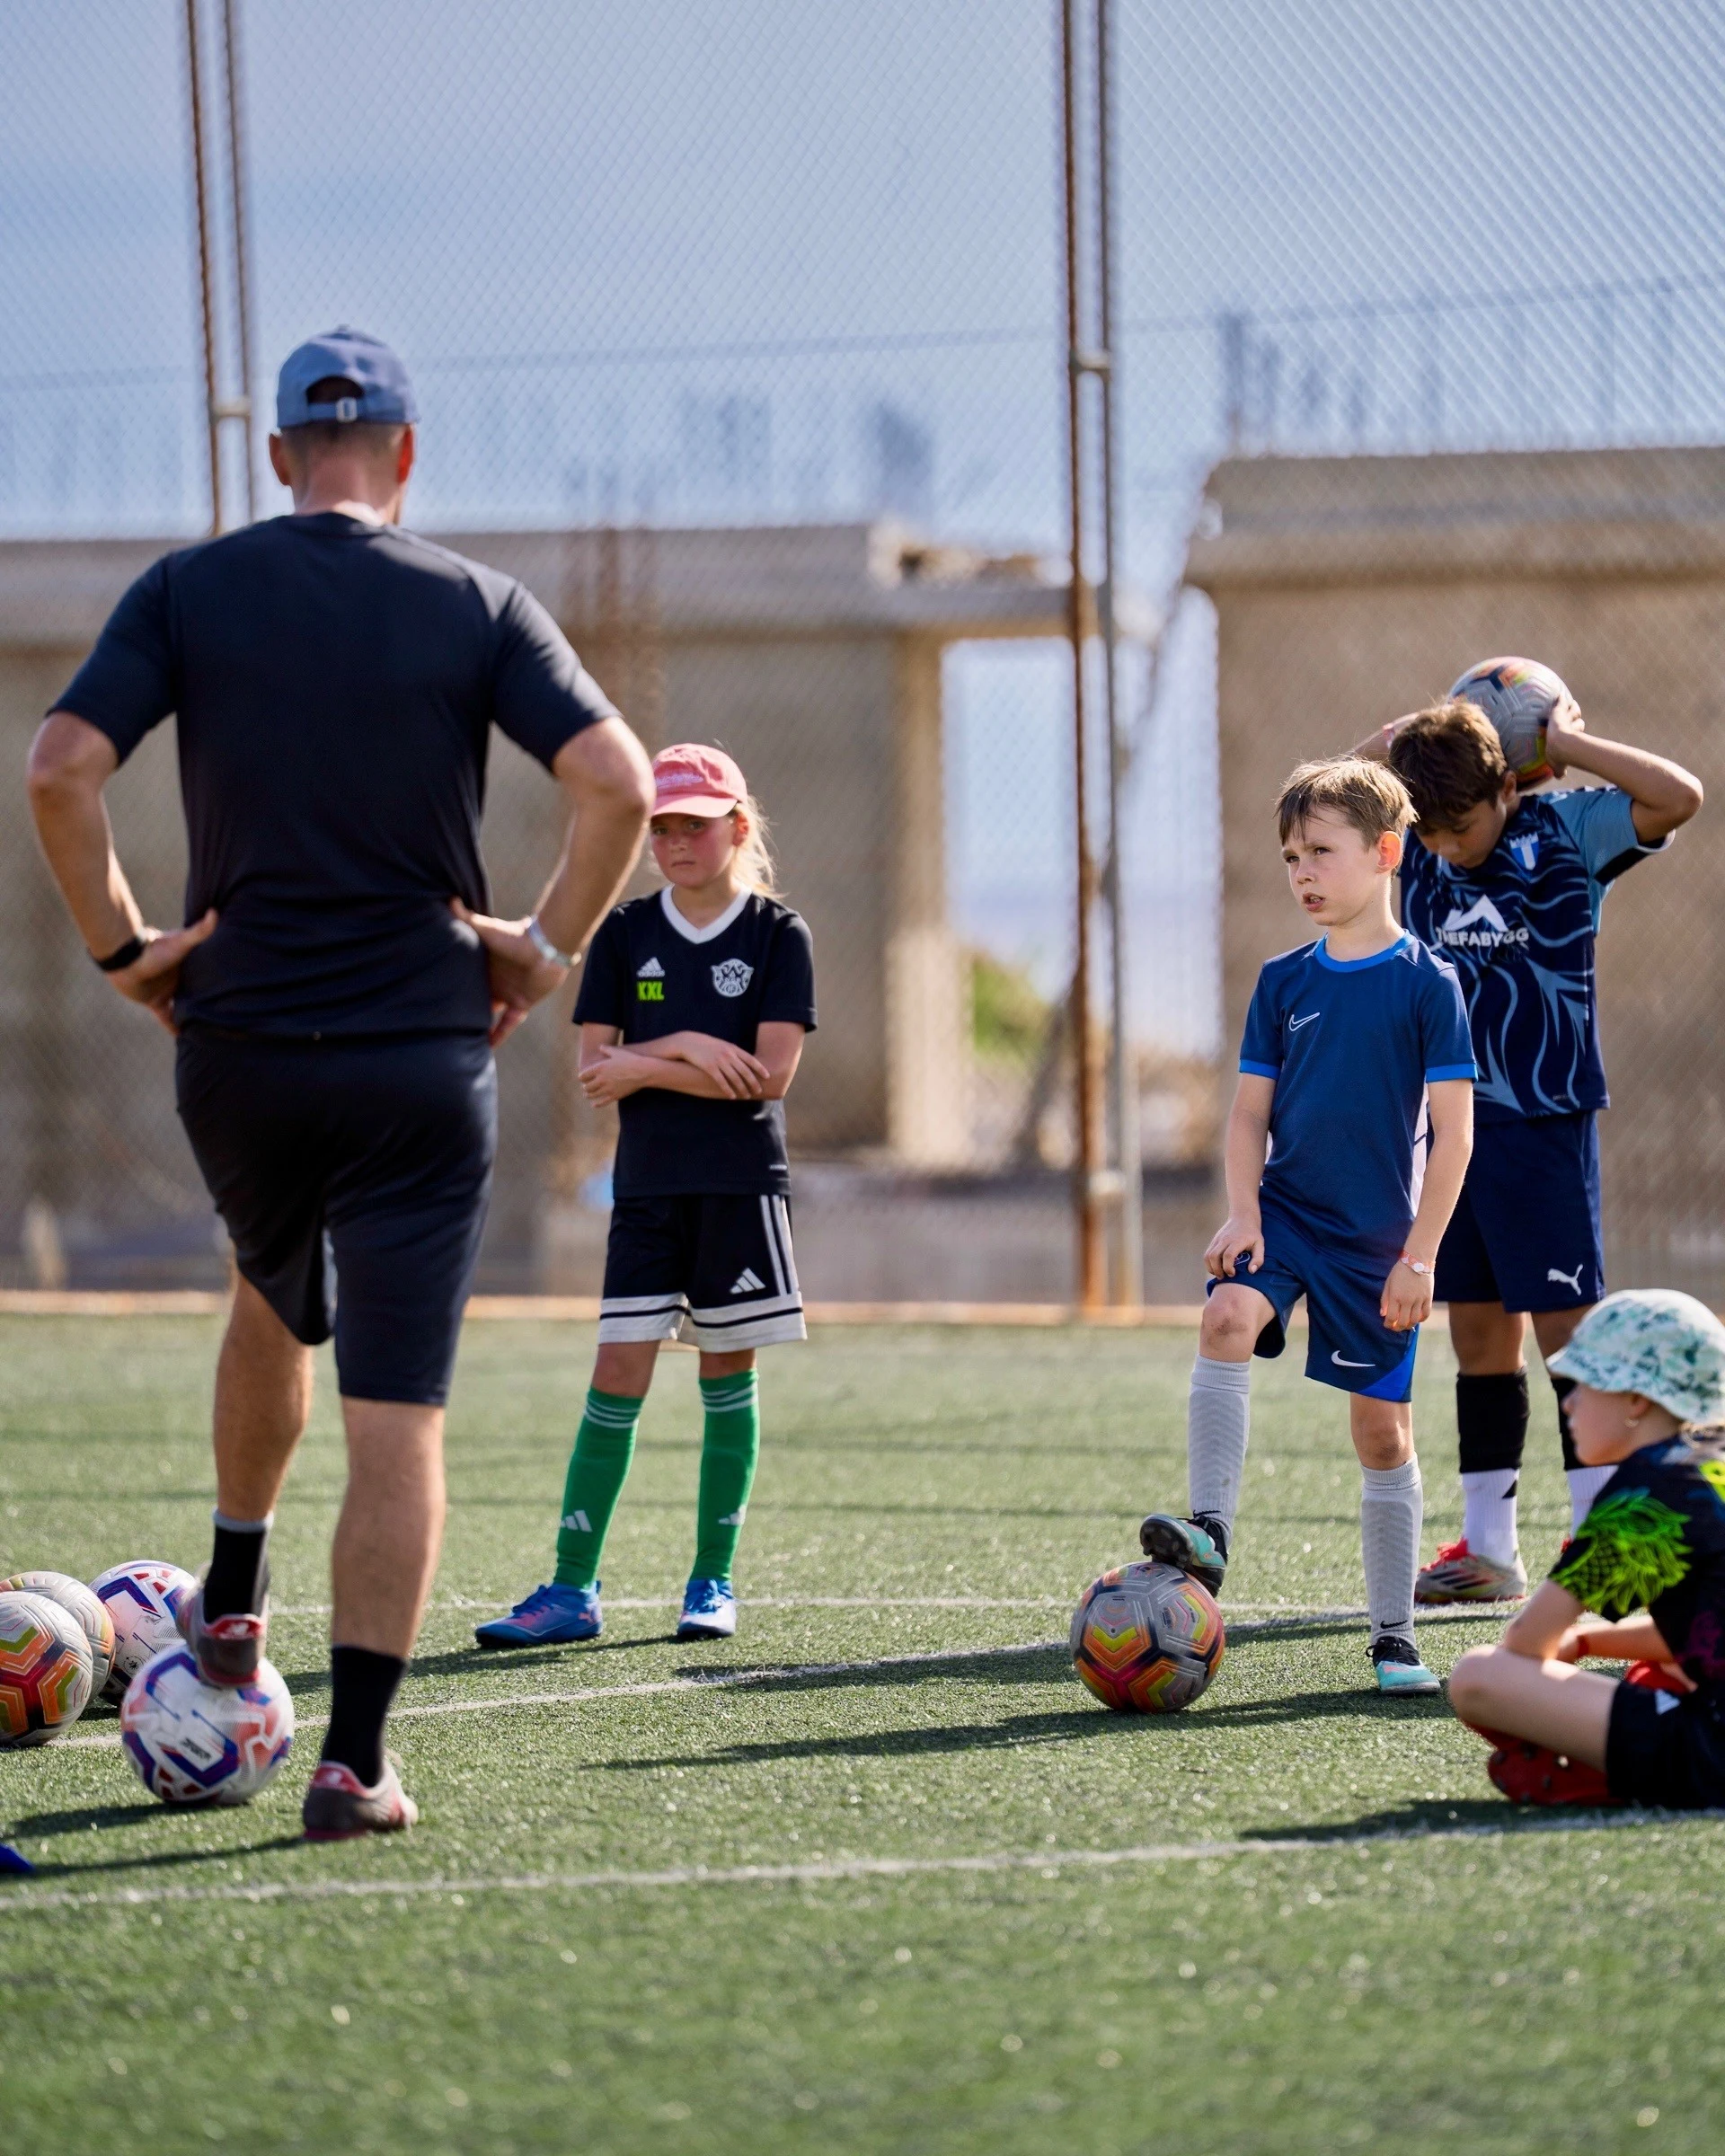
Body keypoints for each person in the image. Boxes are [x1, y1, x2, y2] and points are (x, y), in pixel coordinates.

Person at [25, 328, 653, 1840]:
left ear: (279, 459)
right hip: (418, 1057)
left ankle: (232, 1592)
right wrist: (542, 952)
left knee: (268, 1285)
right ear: (408, 456)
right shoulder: (474, 601)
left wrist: (126, 952)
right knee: (395, 1416)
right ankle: (354, 1767)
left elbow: (59, 769)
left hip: (236, 1052)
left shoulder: (189, 590)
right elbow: (618, 783)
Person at [1140, 756, 1475, 1694]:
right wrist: (1243, 1210)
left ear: (1386, 854)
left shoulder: (1429, 984)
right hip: (1286, 1213)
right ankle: (1211, 1530)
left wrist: (1419, 1259)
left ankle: (1394, 1637)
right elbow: (1249, 1115)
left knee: (1382, 1438)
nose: (1303, 874)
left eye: (1321, 852)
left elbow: (1455, 1138)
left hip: (1379, 1245)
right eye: (1291, 857)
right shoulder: (1283, 981)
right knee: (1225, 1317)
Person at [476, 742, 815, 1650]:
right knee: (616, 1373)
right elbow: (596, 1071)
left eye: (695, 825)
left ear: (737, 827)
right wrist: (693, 1048)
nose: (676, 842)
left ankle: (712, 1581)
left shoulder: (778, 935)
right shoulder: (626, 932)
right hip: (648, 1192)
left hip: (740, 1189)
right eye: (661, 828)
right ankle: (571, 1589)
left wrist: (651, 1059)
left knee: (725, 1376)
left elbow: (769, 1077)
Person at [1368, 694, 1702, 1604]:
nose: (1446, 848)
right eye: (1429, 832)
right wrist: (1405, 736)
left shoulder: (1568, 830)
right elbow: (1340, 792)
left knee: (1570, 1341)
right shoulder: (1415, 843)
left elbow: (1680, 796)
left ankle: (1600, 1541)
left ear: (1509, 789)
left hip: (1542, 1125)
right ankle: (1490, 1551)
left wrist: (1566, 743)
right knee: (1478, 1335)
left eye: (1463, 826)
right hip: (1449, 1133)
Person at [1448, 1289, 1725, 1808]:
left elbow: (1528, 1643)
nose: (1569, 1402)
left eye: (1584, 1383)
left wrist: (1568, 1643)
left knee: (1479, 1676)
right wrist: (1588, 1642)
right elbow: (1702, 1634)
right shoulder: (1713, 1465)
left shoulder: (1648, 1493)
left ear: (1636, 1399)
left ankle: (1601, 1774)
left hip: (1713, 1754)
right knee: (1657, 1673)